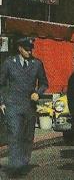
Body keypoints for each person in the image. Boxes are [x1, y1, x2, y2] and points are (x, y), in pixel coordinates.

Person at [0, 37, 49, 178]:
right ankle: (15, 166)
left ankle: (23, 163)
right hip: (13, 106)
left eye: (31, 49)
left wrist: (38, 93)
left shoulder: (37, 64)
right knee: (15, 135)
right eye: (26, 49)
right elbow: (1, 84)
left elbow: (44, 83)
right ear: (19, 48)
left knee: (28, 137)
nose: (29, 51)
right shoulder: (9, 63)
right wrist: (1, 102)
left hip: (29, 106)